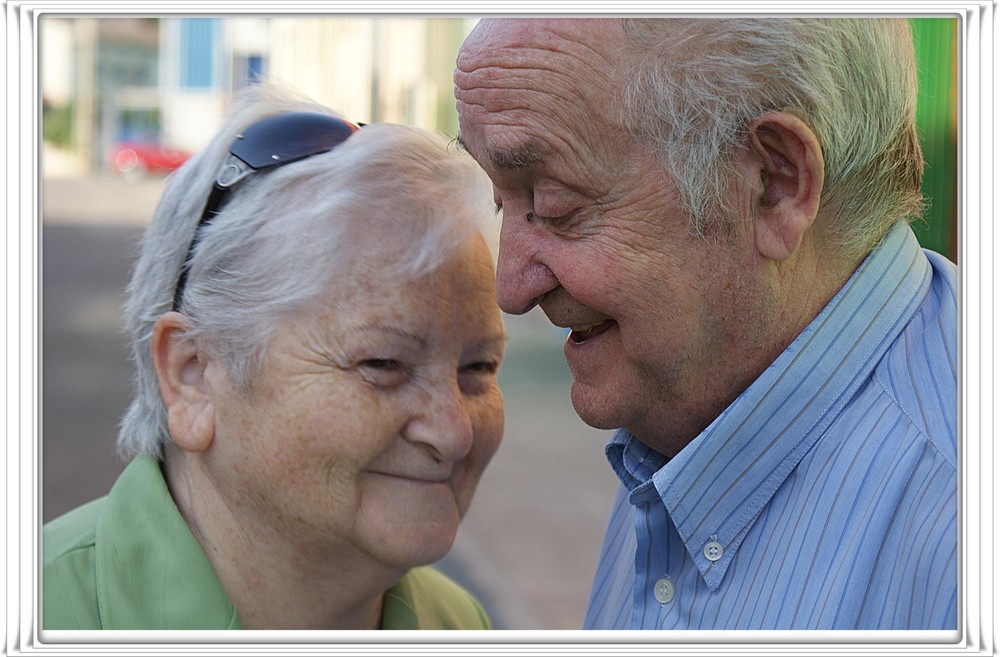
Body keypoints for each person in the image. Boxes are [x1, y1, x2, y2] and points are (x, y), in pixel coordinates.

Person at [455, 18, 956, 630]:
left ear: (774, 184)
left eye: (557, 205)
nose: (510, 289)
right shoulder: (699, 392)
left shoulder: (959, 533)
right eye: (500, 201)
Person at [43, 84, 507, 630]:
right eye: (383, 365)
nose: (453, 432)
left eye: (478, 368)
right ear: (193, 375)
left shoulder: (456, 625)